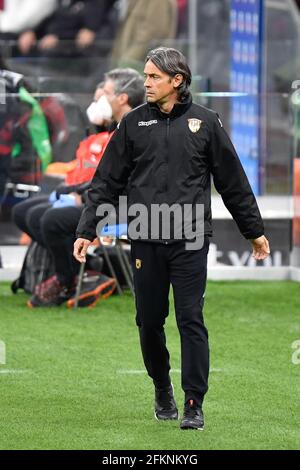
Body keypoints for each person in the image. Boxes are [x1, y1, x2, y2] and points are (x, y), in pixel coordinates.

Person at [74, 47, 270, 430]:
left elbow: (233, 182)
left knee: (190, 318)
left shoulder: (206, 122)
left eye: (153, 77)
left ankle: (194, 402)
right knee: (149, 321)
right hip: (145, 238)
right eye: (145, 76)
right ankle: (162, 387)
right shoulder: (131, 124)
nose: (145, 83)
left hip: (191, 238)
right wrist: (86, 229)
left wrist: (254, 231)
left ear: (176, 80)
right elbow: (106, 183)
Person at [12, 68, 145, 308]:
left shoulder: (137, 130)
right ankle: (85, 272)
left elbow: (123, 182)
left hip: (127, 206)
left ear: (122, 98)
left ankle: (67, 279)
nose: (99, 95)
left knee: (51, 219)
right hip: (106, 199)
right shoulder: (117, 128)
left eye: (105, 90)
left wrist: (83, 197)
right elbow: (105, 175)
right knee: (25, 212)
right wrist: (77, 191)